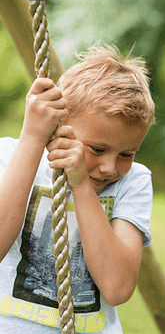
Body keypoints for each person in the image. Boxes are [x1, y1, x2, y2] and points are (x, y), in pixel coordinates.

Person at [0, 46, 155, 333]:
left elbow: (117, 288)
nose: (110, 167)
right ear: (59, 126)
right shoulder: (11, 155)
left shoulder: (133, 182)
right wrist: (34, 137)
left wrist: (81, 183)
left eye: (127, 154)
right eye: (97, 149)